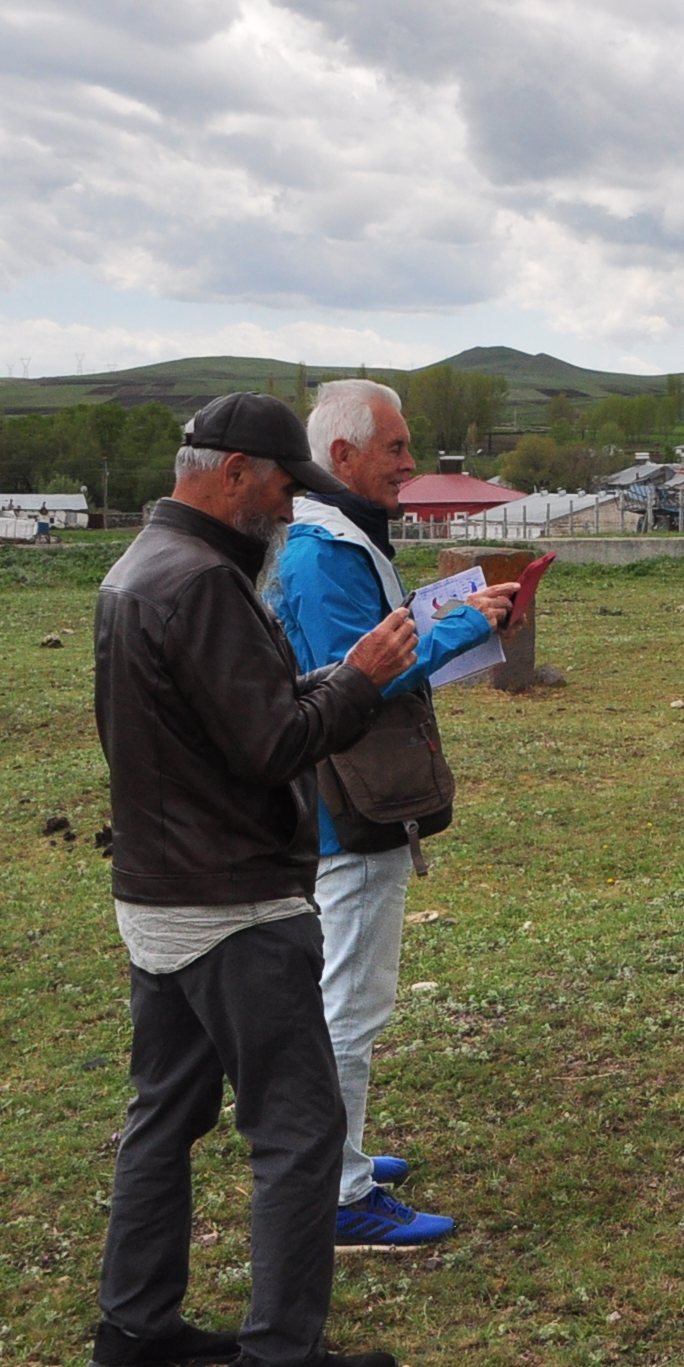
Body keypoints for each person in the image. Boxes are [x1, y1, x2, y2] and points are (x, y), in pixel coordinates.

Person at [86, 394, 420, 1367]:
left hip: (156, 892)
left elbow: (223, 723)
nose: (286, 509)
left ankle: (133, 1327)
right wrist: (358, 681)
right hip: (234, 901)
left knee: (166, 1116)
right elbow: (272, 744)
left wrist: (317, 683)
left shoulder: (137, 570)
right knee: (300, 1132)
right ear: (234, 472)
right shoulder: (205, 587)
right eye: (282, 486)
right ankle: (280, 1364)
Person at [265, 379, 519, 1251]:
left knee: (337, 993)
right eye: (398, 449)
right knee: (351, 1002)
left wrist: (444, 619)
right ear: (342, 458)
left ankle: (338, 1151)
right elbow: (359, 673)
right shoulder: (326, 557)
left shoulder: (329, 544)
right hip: (349, 810)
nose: (412, 466)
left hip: (338, 803)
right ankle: (337, 1193)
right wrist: (462, 626)